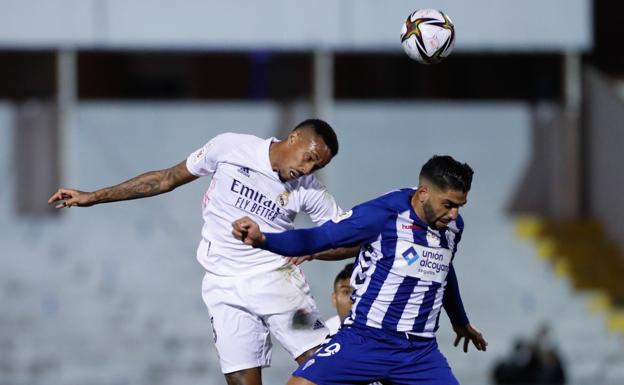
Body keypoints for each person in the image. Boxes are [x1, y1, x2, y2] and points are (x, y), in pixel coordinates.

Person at [47, 119, 357, 385]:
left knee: (323, 366)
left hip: (277, 284)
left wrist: (311, 250)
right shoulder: (231, 147)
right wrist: (94, 196)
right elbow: (166, 179)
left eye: (317, 165)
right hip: (222, 286)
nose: (306, 169)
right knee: (238, 377)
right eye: (308, 158)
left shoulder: (309, 189)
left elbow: (350, 239)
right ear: (294, 137)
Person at [232, 155, 489, 385]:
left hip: (419, 353)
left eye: (460, 206)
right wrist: (264, 240)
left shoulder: (453, 227)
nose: (454, 214)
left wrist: (460, 321)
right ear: (423, 193)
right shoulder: (381, 215)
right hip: (366, 340)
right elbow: (319, 237)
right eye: (448, 204)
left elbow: (443, 269)